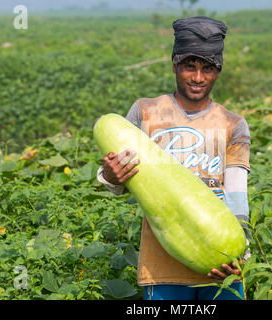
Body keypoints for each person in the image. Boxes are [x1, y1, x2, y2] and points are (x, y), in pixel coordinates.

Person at [96, 16, 251, 300]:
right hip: (162, 265)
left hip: (223, 264)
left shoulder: (233, 124)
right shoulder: (144, 113)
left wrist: (242, 251)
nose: (197, 77)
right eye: (189, 67)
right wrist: (109, 176)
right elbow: (115, 179)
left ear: (218, 71)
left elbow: (237, 192)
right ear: (174, 66)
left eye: (208, 68)